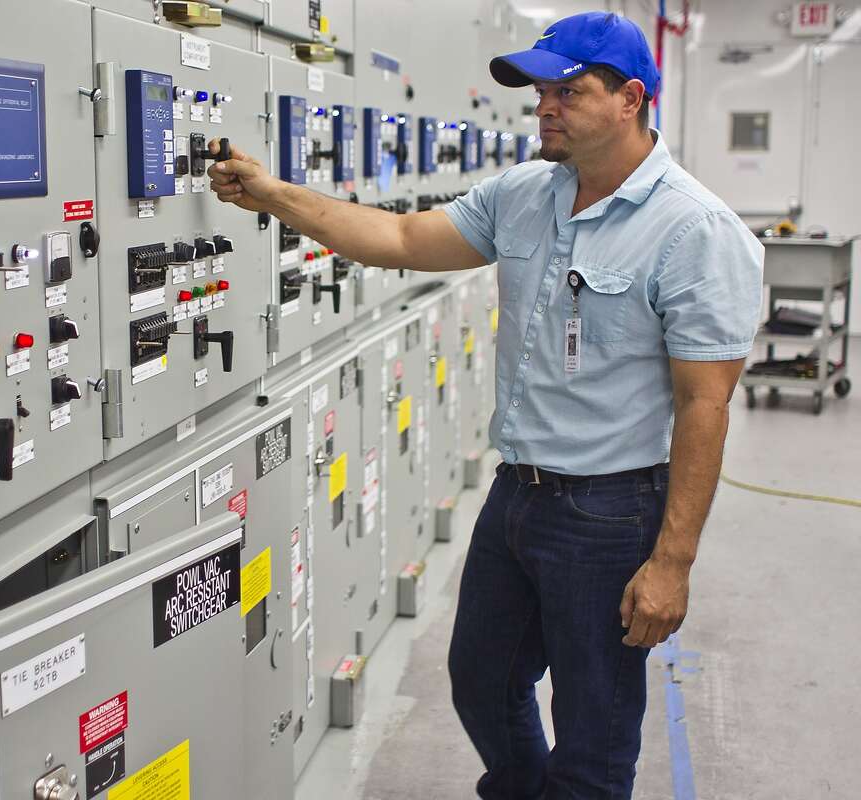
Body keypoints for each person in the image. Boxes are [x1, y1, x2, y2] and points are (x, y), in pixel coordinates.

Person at [208, 10, 762, 798]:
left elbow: (706, 404)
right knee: (480, 680)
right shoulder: (526, 193)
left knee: (594, 729)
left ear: (632, 98)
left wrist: (672, 563)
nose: (544, 107)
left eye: (567, 91)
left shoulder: (696, 231)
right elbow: (400, 241)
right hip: (517, 497)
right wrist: (274, 196)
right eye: (540, 92)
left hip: (609, 513)